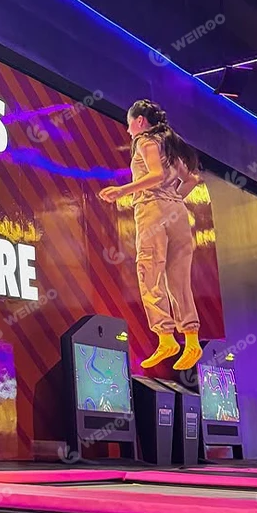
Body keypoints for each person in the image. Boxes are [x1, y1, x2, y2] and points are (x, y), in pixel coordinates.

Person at [99, 99, 202, 371]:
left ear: (140, 121)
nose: (127, 127)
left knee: (149, 271)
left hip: (152, 211)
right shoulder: (169, 143)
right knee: (179, 277)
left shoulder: (145, 142)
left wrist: (122, 191)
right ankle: (192, 340)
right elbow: (191, 179)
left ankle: (166, 337)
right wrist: (173, 200)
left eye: (129, 121)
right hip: (177, 213)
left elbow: (155, 175)